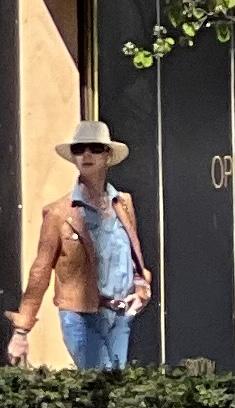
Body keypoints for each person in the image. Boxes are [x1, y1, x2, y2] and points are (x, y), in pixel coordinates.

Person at [8, 121, 155, 372]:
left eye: (95, 148)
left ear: (107, 156)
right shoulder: (58, 213)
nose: (86, 155)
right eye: (79, 149)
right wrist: (22, 330)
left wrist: (141, 287)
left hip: (120, 315)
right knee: (105, 385)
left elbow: (132, 254)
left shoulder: (123, 203)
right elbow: (40, 271)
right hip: (80, 317)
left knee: (115, 390)